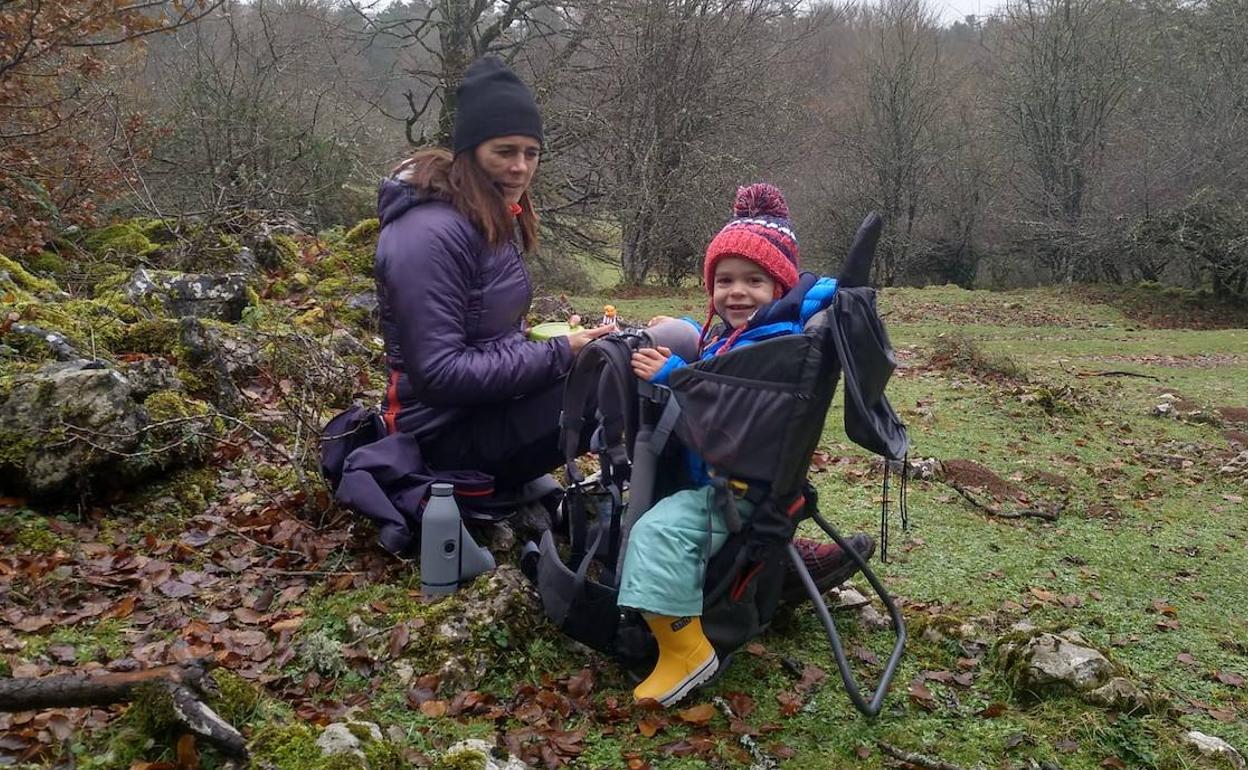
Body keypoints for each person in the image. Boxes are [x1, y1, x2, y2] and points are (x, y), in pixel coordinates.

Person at [619, 183, 876, 707]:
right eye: (725, 280)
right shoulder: (748, 334)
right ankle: (771, 580)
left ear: (780, 288)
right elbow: (720, 354)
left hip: (733, 489)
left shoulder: (772, 345)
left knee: (655, 534)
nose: (736, 292)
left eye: (755, 281)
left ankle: (685, 651)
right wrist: (682, 330)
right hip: (726, 477)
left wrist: (676, 374)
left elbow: (732, 409)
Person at [373, 55, 611, 491]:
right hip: (437, 438)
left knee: (640, 353)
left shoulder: (486, 217)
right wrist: (560, 354)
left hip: (483, 411)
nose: (520, 166)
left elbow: (481, 336)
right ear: (471, 153)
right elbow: (440, 374)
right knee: (618, 377)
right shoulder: (429, 234)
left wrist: (549, 341)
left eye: (531, 153)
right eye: (504, 152)